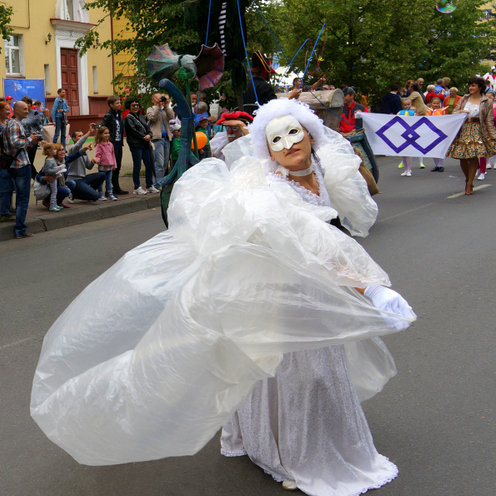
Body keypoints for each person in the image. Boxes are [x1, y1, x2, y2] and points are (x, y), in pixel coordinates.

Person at [30, 99, 415, 496]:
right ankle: (291, 454)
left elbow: (348, 218)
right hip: (282, 295)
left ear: (311, 133)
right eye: (276, 139)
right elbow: (315, 246)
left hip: (316, 289)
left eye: (294, 132)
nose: (287, 143)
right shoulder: (272, 192)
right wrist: (370, 287)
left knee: (315, 369)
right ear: (267, 149)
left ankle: (293, 440)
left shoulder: (323, 169)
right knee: (299, 373)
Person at [447, 76, 496, 195]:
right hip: (463, 129)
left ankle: (469, 182)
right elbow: (454, 112)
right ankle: (467, 178)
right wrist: (460, 112)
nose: (470, 87)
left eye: (473, 85)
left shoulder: (487, 101)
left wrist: (493, 135)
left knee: (473, 156)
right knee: (462, 157)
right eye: (469, 85)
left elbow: (489, 120)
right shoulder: (464, 99)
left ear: (480, 87)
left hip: (477, 129)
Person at [4, 100, 42, 238]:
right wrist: (30, 140)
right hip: (20, 165)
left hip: (20, 163)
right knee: (22, 198)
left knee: (22, 197)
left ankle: (21, 228)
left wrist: (31, 142)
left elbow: (20, 145)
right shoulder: (14, 124)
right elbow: (15, 143)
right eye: (25, 109)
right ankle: (20, 229)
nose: (28, 111)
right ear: (17, 110)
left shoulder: (16, 123)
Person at [124, 98, 155, 195]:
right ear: (129, 107)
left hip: (145, 143)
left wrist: (150, 134)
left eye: (137, 105)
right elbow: (133, 131)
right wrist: (144, 137)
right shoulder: (128, 118)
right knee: (137, 165)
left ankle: (149, 185)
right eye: (133, 105)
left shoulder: (141, 116)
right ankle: (137, 187)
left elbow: (147, 128)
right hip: (136, 144)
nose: (136, 107)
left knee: (149, 164)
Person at [64, 128, 103, 202]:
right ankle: (74, 194)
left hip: (83, 178)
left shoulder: (84, 150)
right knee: (96, 196)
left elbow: (89, 167)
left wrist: (92, 161)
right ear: (73, 138)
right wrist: (89, 132)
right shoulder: (72, 148)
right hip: (75, 180)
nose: (81, 137)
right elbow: (78, 145)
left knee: (102, 175)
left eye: (82, 136)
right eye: (79, 136)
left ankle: (89, 192)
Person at [146, 93, 175, 188]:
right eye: (158, 98)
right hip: (157, 139)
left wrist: (166, 106)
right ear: (153, 100)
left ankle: (161, 182)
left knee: (165, 163)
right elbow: (152, 117)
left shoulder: (165, 110)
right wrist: (158, 107)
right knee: (159, 163)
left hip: (166, 138)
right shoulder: (150, 109)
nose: (160, 100)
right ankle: (157, 184)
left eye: (161, 98)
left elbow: (172, 117)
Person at [100, 95, 127, 195]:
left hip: (119, 143)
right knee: (111, 166)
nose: (119, 104)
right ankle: (108, 189)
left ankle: (116, 187)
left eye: (120, 102)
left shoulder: (118, 114)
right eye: (117, 103)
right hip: (112, 144)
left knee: (118, 166)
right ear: (111, 105)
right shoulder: (108, 115)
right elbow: (103, 127)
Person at [39, 142, 67, 212]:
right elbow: (46, 170)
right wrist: (57, 170)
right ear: (49, 151)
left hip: (54, 178)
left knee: (55, 192)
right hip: (51, 179)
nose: (55, 151)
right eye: (54, 149)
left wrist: (59, 168)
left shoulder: (52, 159)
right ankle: (52, 206)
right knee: (54, 192)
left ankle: (54, 204)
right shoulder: (48, 160)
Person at [93, 126, 117, 200]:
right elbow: (98, 155)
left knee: (109, 181)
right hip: (102, 167)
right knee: (101, 181)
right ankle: (100, 194)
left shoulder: (111, 144)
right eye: (105, 133)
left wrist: (114, 165)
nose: (107, 135)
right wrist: (97, 160)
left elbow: (113, 155)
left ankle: (110, 193)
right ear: (100, 135)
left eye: (108, 133)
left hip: (110, 166)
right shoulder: (99, 145)